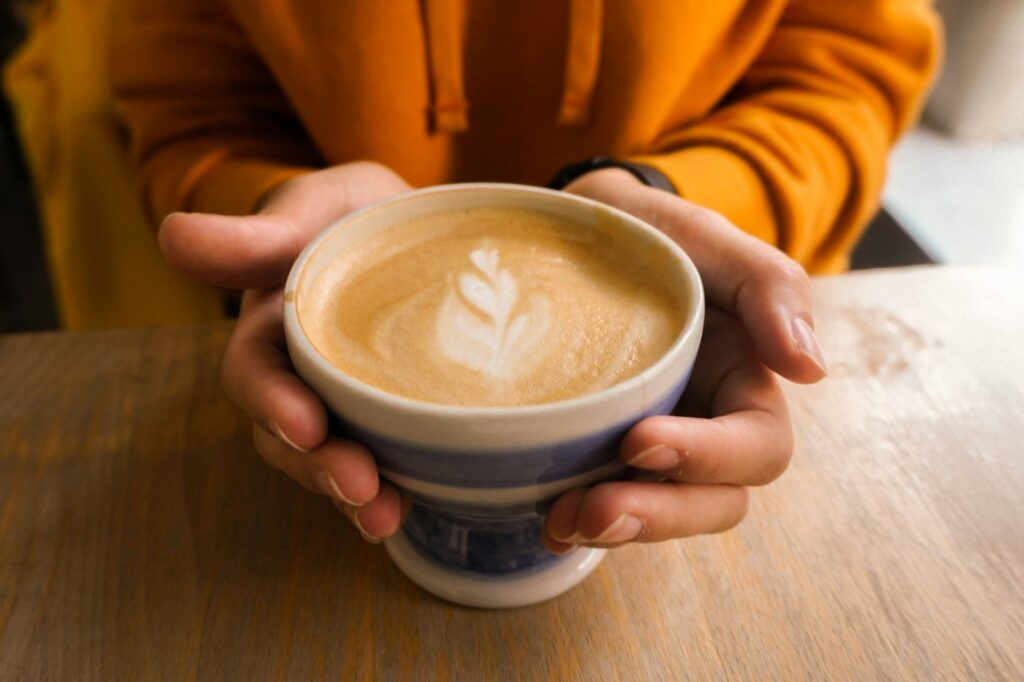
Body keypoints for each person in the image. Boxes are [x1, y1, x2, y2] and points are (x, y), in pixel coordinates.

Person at [110, 1, 940, 550]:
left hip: (741, 370)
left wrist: (674, 217)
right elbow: (191, 106)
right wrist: (273, 219)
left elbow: (844, 73)